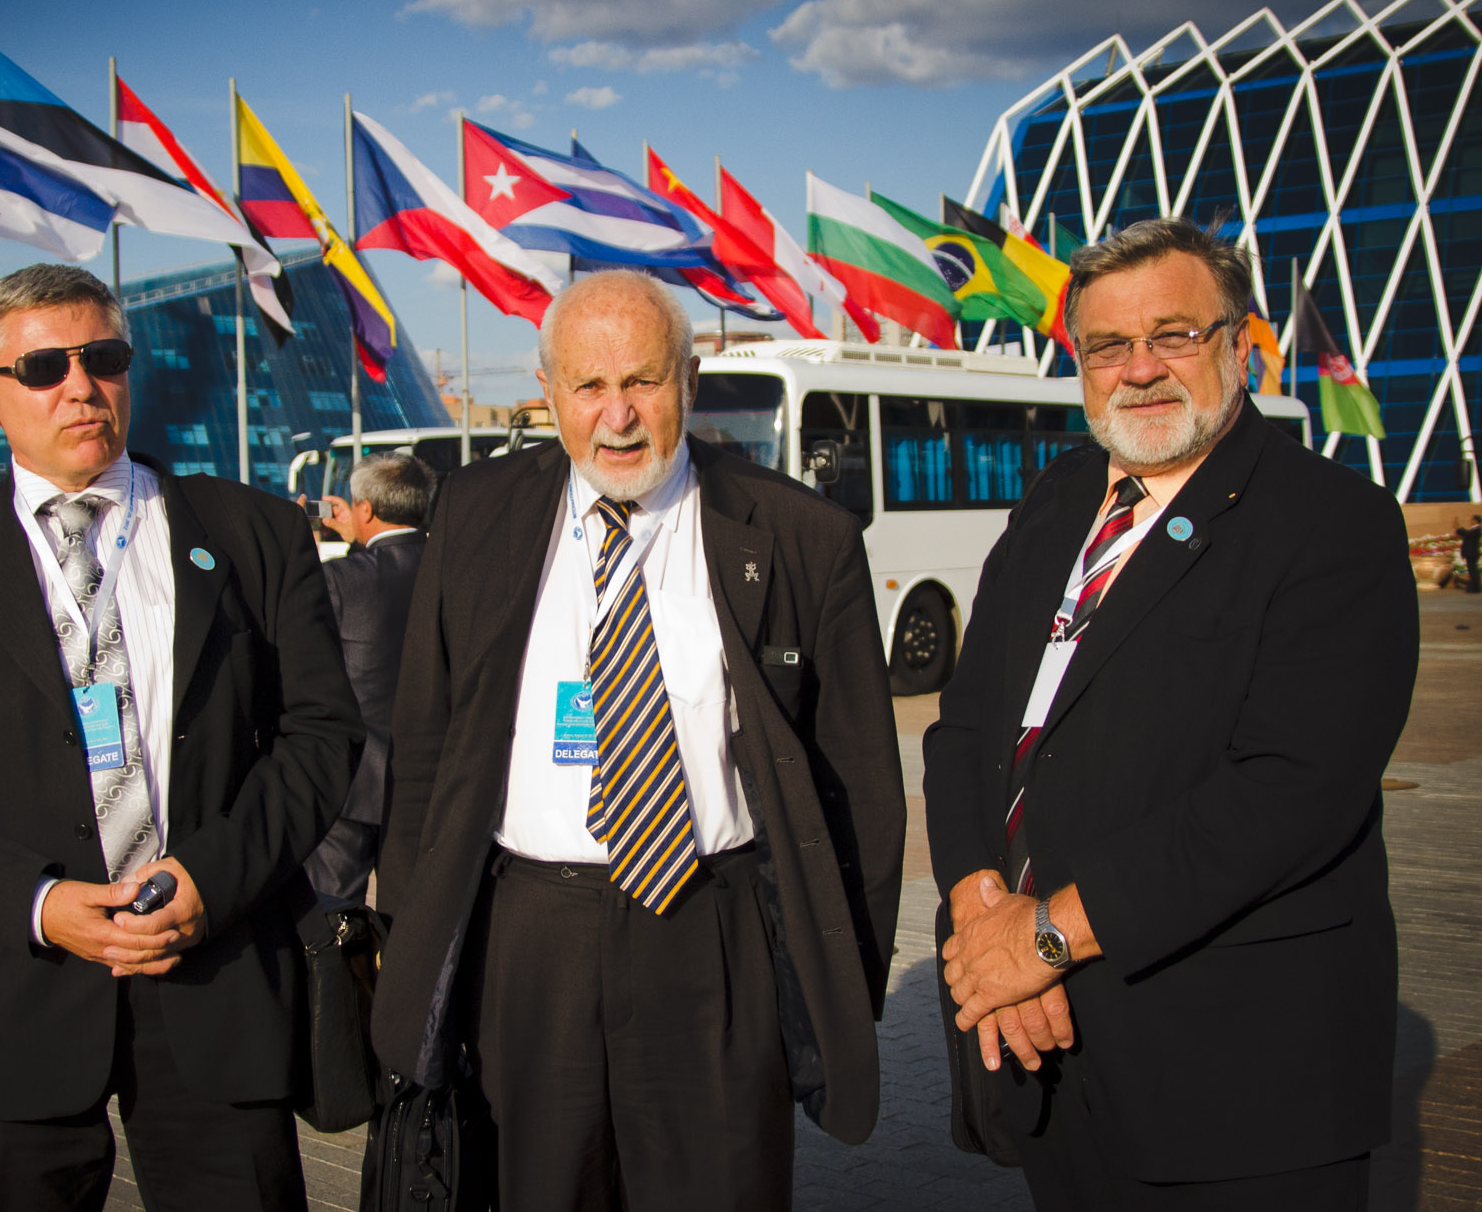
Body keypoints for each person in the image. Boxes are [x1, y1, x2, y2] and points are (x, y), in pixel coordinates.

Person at [372, 269, 906, 1210]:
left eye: (644, 383)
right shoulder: (474, 513)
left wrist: (835, 981)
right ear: (549, 393)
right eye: (588, 387)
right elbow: (423, 748)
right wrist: (413, 935)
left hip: (714, 933)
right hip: (530, 937)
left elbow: (860, 780)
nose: (617, 416)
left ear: (689, 383)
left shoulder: (799, 535)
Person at [0, 264, 361, 1211]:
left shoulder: (251, 532)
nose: (80, 386)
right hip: (14, 998)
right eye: (44, 367)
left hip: (215, 973)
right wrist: (38, 904)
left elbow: (321, 737)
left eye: (102, 357)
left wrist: (213, 876)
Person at [925, 218, 1418, 1210]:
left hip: (1235, 1079)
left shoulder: (1332, 523)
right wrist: (985, 915)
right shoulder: (1060, 498)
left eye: (1175, 334)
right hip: (1048, 1042)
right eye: (1109, 345)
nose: (1139, 368)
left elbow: (1288, 794)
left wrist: (1045, 936)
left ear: (1238, 343)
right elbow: (968, 728)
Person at [303, 452, 435, 910]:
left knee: (335, 918)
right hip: (429, 781)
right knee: (415, 922)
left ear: (365, 510)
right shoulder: (453, 569)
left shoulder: (339, 579)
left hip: (353, 783)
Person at [1456, 512, 1480, 592]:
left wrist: (1459, 528)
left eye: (1472, 520)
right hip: (1470, 553)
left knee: (1473, 570)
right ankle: (1473, 587)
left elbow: (1467, 534)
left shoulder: (1477, 529)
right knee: (1472, 570)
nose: (1470, 521)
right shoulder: (1474, 529)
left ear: (1475, 521)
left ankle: (1474, 588)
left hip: (1472, 553)